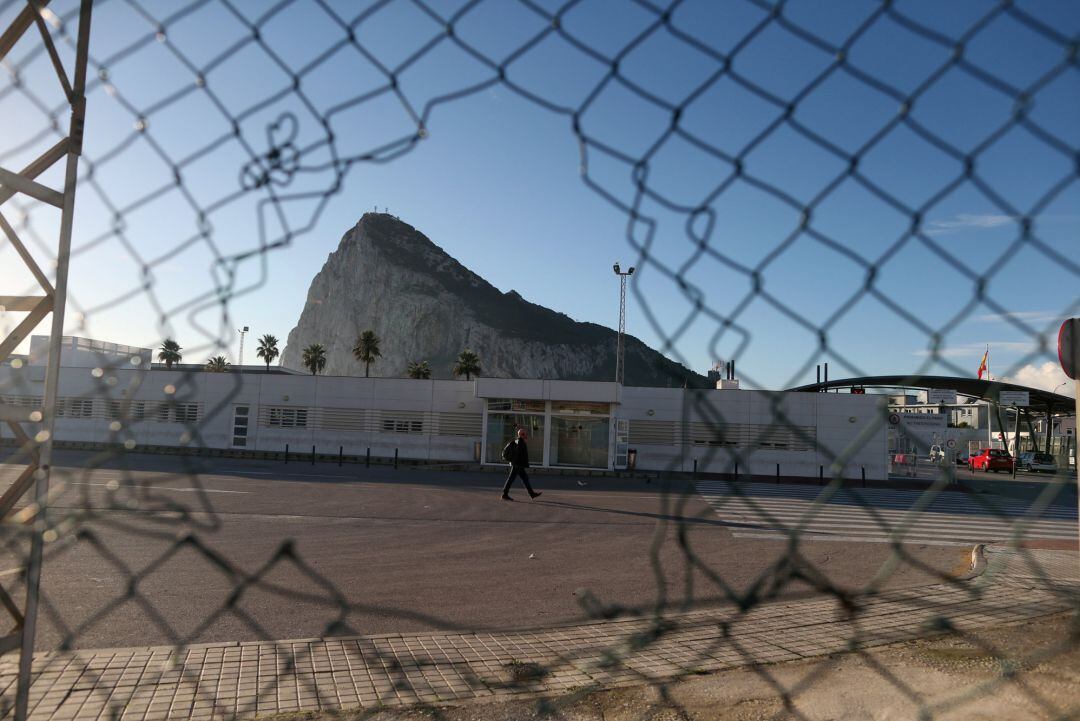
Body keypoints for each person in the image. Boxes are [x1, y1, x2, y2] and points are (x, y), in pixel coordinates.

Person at [501, 428, 541, 501]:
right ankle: (504, 494)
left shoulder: (518, 441)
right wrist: (516, 462)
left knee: (525, 479)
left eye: (525, 434)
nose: (525, 435)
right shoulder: (519, 442)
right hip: (517, 465)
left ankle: (532, 494)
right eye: (523, 434)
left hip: (519, 465)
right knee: (511, 479)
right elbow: (519, 454)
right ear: (520, 435)